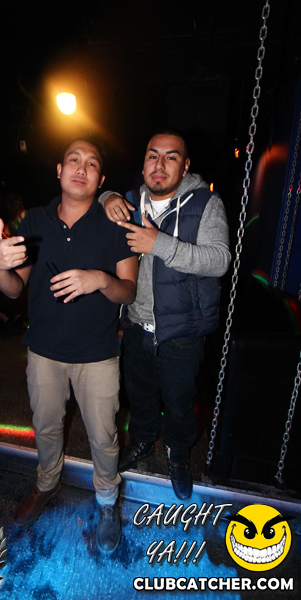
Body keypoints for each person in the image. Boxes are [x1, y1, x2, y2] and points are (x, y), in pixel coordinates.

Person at [0, 137, 138, 553]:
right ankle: (46, 483)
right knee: (47, 427)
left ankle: (106, 501)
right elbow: (14, 287)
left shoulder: (114, 224)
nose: (81, 168)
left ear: (101, 180)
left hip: (98, 352)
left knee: (103, 436)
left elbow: (129, 289)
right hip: (44, 350)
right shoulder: (35, 220)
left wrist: (100, 280)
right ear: (58, 170)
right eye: (74, 159)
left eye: (92, 163)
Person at [99, 129, 231, 500]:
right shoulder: (130, 201)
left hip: (182, 331)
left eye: (171, 157)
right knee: (139, 397)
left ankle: (177, 455)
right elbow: (94, 202)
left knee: (179, 405)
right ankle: (142, 441)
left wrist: (159, 244)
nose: (160, 164)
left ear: (185, 166)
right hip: (136, 326)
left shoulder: (206, 203)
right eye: (152, 155)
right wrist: (107, 197)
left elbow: (219, 260)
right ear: (143, 164)